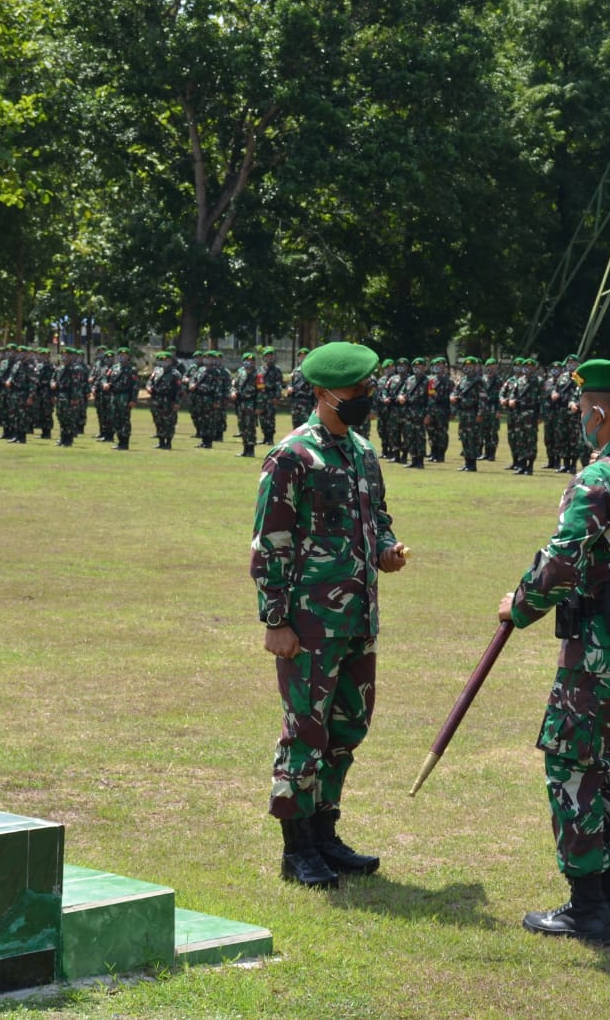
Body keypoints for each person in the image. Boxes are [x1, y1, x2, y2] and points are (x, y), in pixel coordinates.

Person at [496, 358, 610, 946]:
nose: (580, 418)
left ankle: (586, 907)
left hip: (605, 644)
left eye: (582, 410)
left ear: (598, 412)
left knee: (574, 763)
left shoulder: (598, 479)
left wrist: (518, 607)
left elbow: (560, 562)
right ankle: (609, 903)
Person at [251, 341, 408, 889]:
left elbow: (378, 517)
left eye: (369, 389)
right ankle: (297, 848)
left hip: (357, 619)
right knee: (306, 731)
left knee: (348, 726)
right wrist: (275, 621)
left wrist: (387, 548)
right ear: (322, 394)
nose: (366, 397)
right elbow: (271, 544)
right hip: (309, 623)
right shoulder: (292, 456)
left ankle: (325, 832)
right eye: (356, 391)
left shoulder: (363, 453)